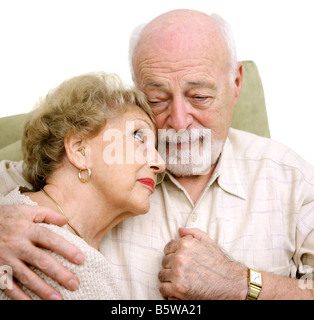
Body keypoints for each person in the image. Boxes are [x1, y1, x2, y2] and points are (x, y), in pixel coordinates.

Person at [0, 9, 314, 300]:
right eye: (157, 99)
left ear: (235, 83)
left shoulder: (291, 177)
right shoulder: (83, 162)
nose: (178, 122)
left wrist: (244, 282)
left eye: (199, 96)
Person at [0, 71, 165, 299]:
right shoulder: (65, 264)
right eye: (138, 135)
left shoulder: (13, 210)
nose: (160, 163)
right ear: (79, 150)